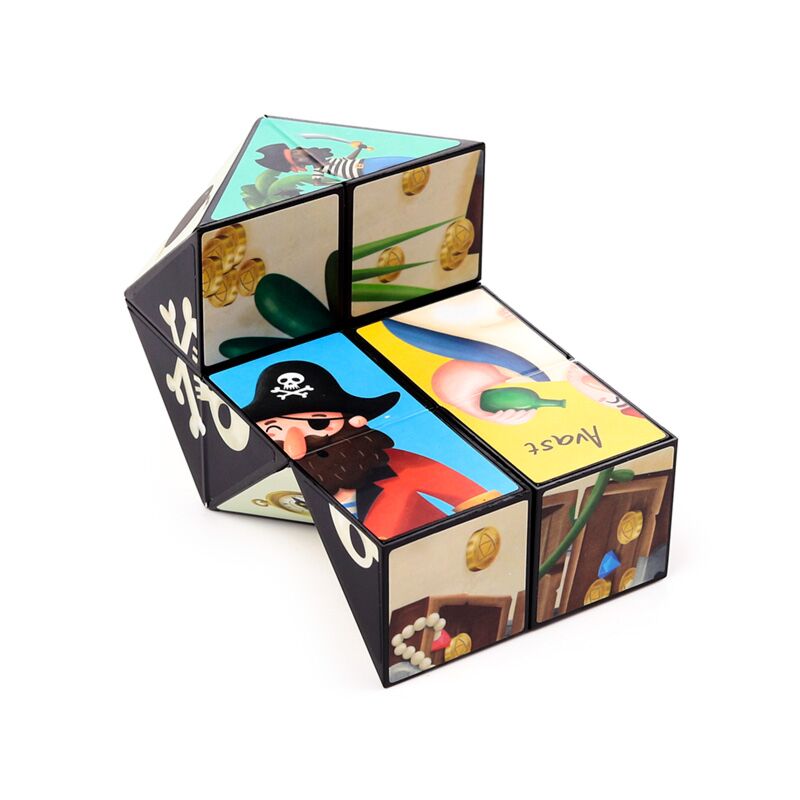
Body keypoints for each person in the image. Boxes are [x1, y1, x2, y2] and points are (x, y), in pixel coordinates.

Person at [242, 361, 500, 540]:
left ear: (355, 422)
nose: (296, 445)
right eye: (273, 429)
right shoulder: (268, 480)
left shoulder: (400, 466)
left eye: (318, 423)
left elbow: (473, 497)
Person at [255, 142, 412, 185]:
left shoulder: (330, 160)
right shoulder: (319, 168)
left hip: (365, 162)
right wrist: (333, 184)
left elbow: (347, 159)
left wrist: (359, 149)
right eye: (296, 158)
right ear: (299, 166)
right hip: (364, 173)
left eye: (297, 152)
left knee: (404, 161)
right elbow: (316, 182)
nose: (302, 154)